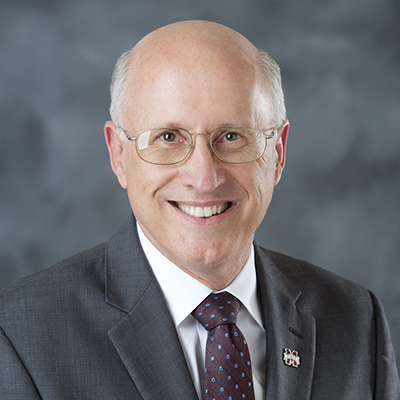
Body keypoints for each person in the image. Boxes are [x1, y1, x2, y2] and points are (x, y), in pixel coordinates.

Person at [0, 20, 399, 400]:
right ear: (119, 155)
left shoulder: (355, 319)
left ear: (277, 153)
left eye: (231, 136)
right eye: (169, 137)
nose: (203, 177)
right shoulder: (22, 336)